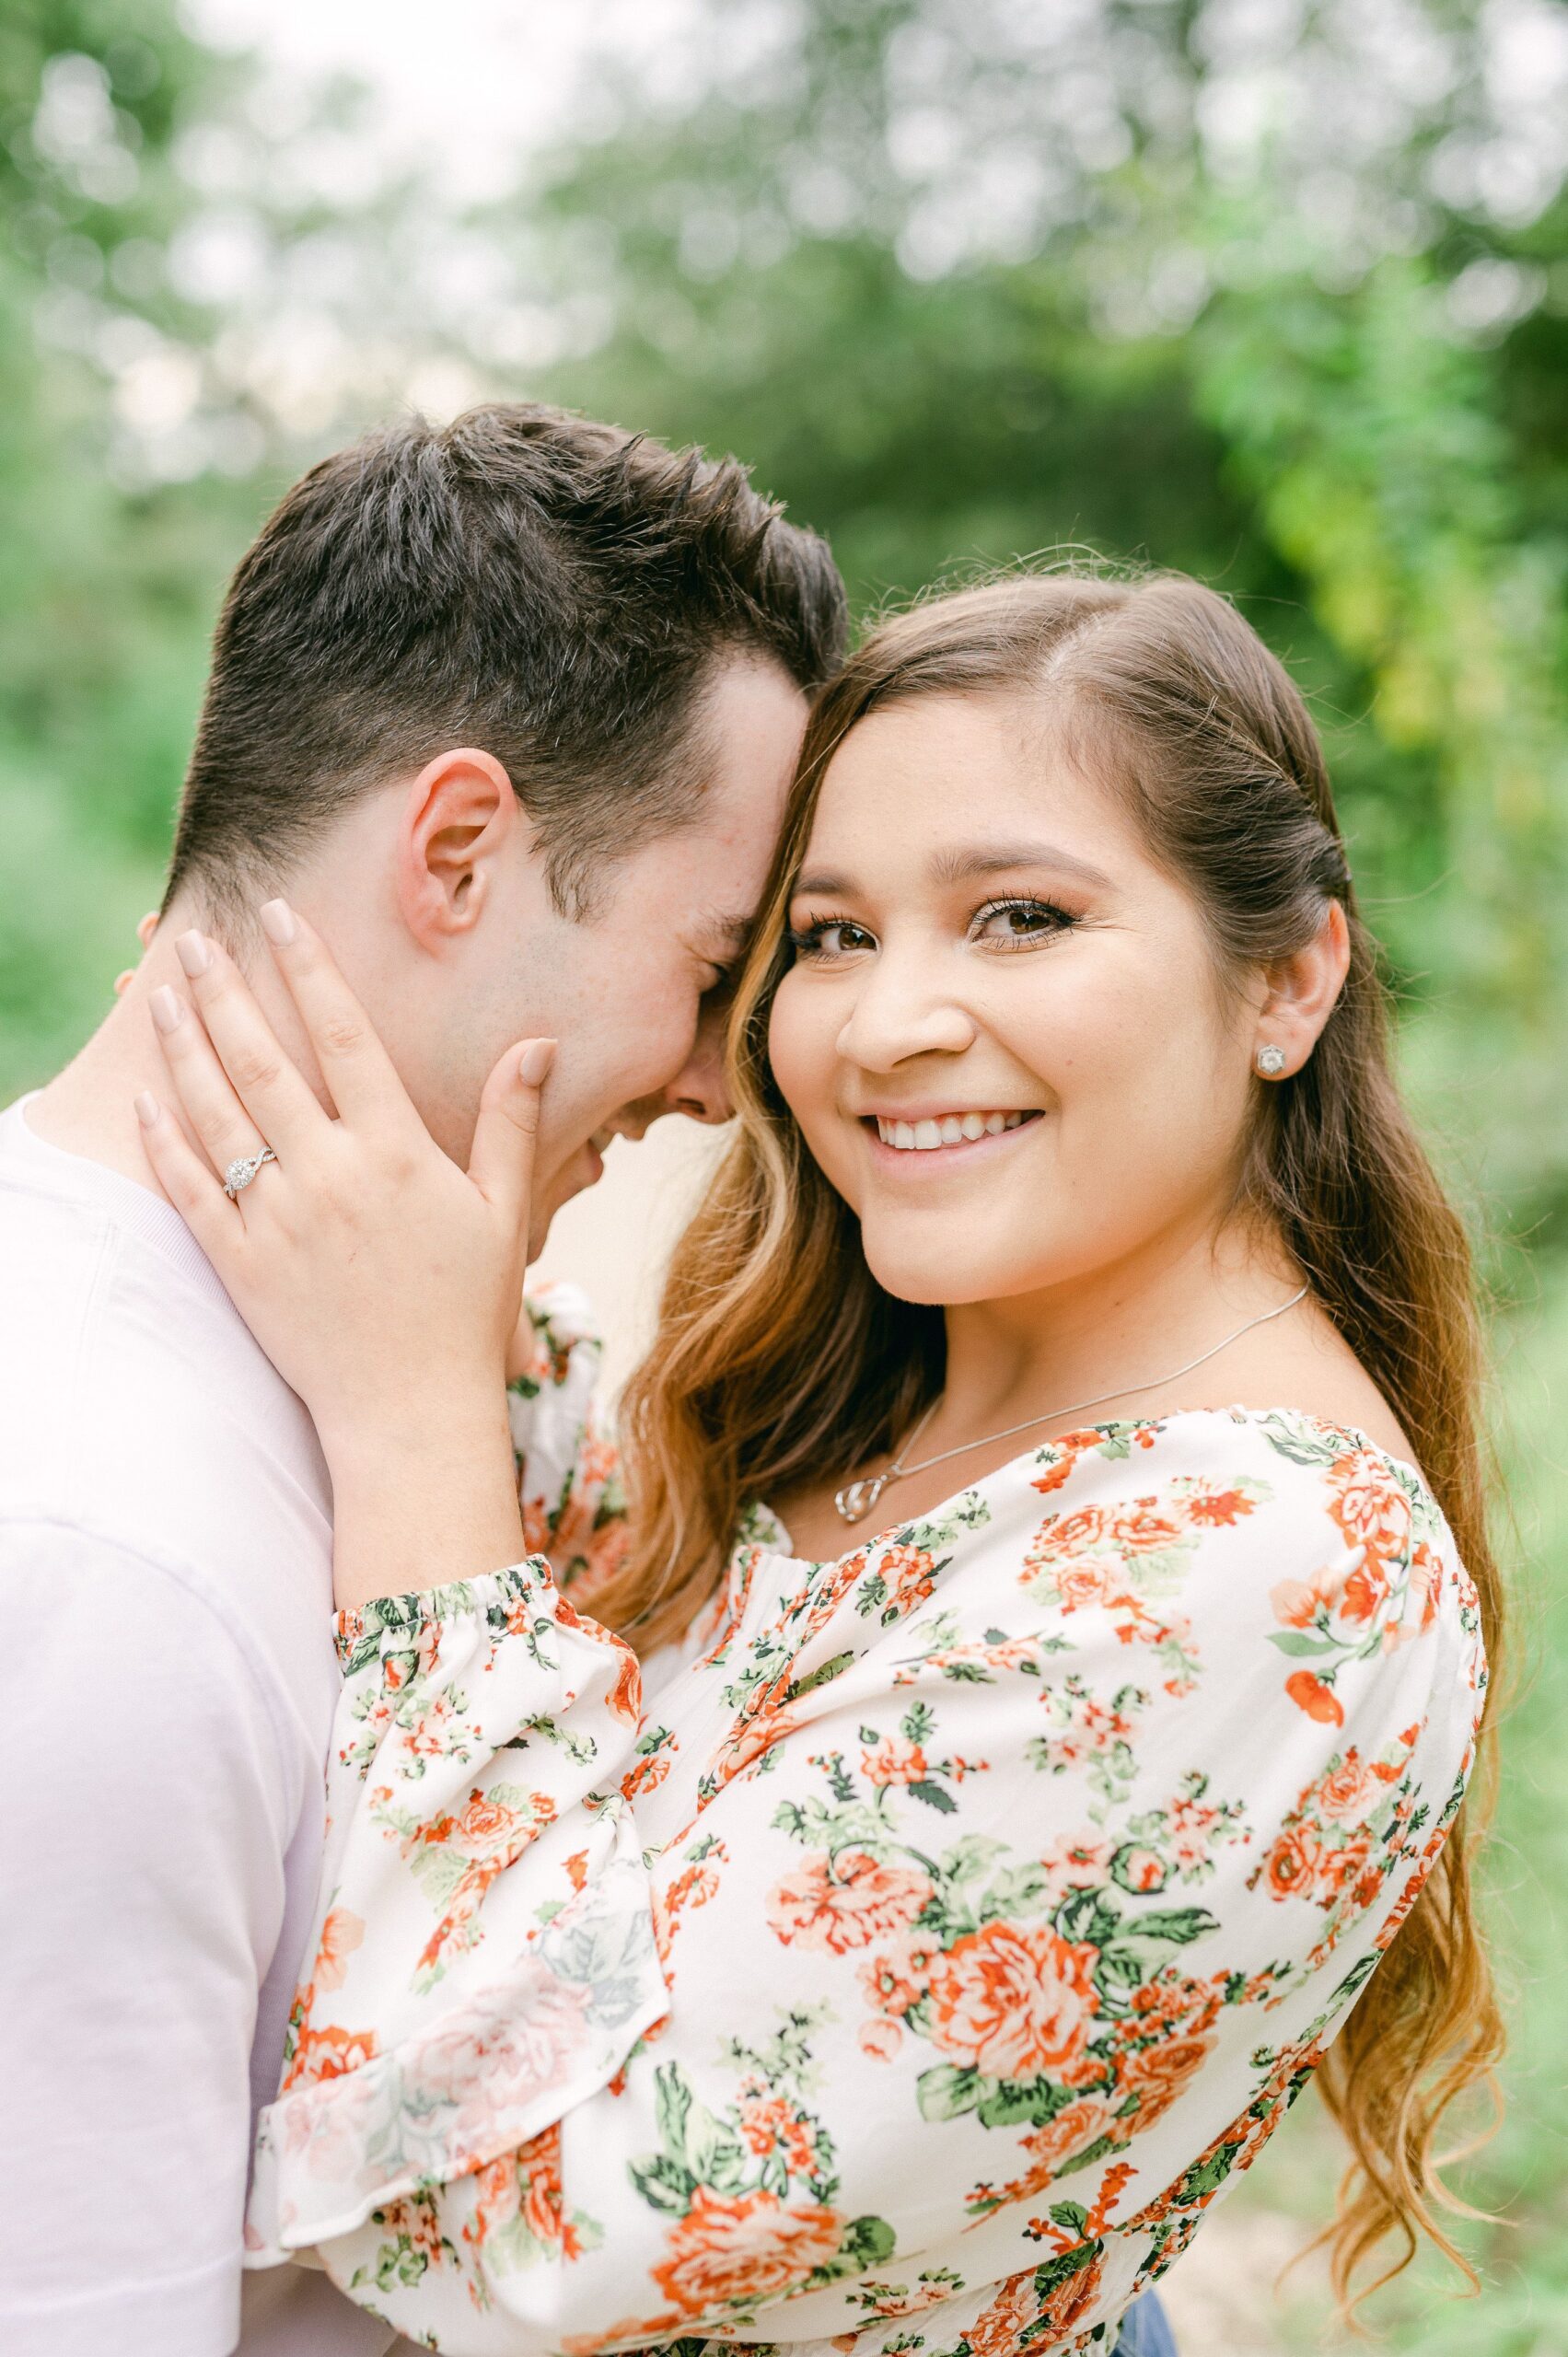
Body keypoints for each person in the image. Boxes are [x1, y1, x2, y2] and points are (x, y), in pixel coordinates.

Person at [136, 570, 1501, 2354]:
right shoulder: (877, 1394)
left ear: (1290, 976)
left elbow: (561, 2238)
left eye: (1020, 915)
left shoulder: (1265, 1561)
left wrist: (413, 1420)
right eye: (832, 933)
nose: (884, 1022)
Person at [0, 403, 843, 2357]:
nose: (727, 1081)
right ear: (461, 848)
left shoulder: (341, 1360)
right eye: (714, 968)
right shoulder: (106, 1557)